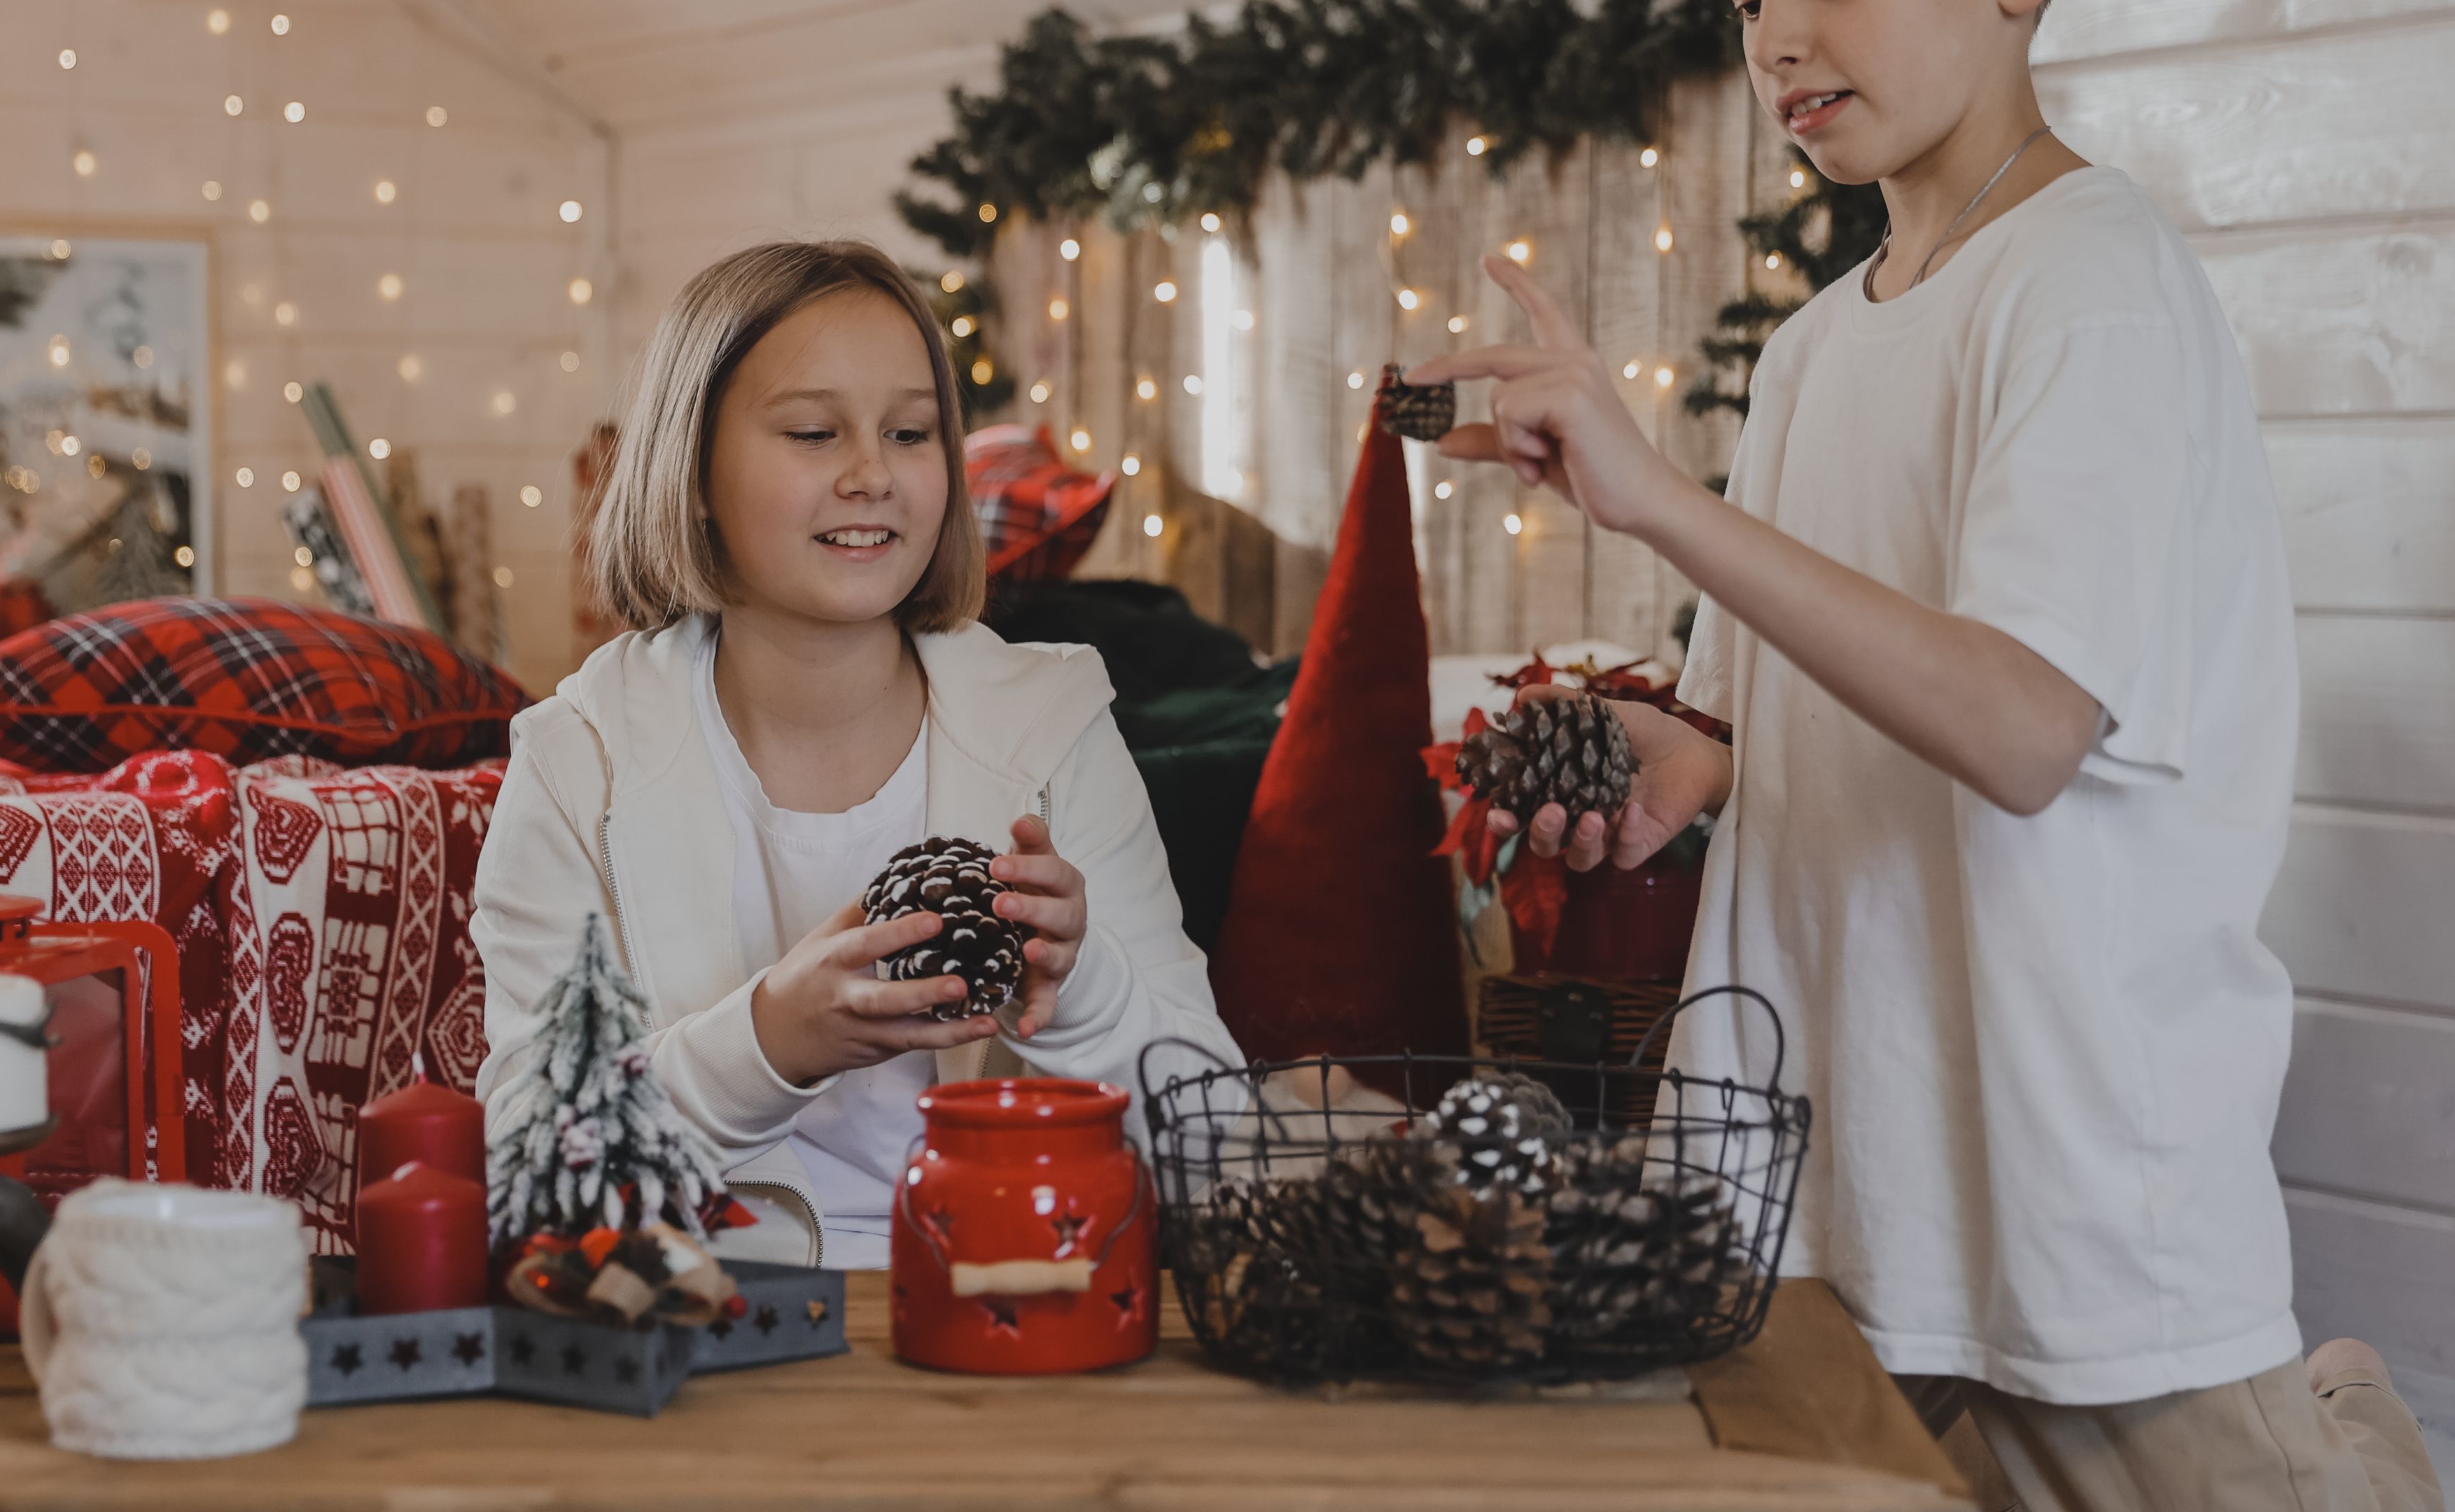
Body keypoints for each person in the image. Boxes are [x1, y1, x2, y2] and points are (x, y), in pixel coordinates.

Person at [1409, 0, 2444, 1502]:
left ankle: (2354, 1422)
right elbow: (1761, 730)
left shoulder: (2093, 280)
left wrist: (1657, 499)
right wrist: (1670, 760)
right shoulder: (1816, 350)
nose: (1778, 37)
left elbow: (2024, 727)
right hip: (1834, 1194)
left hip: (2070, 1206)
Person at [471, 239, 1241, 1269]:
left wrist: (1083, 986)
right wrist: (769, 1045)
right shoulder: (579, 759)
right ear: (692, 471)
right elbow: (526, 1170)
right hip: (708, 1317)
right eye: (813, 432)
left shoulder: (1050, 728)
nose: (873, 474)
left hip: (1017, 1302)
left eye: (911, 432)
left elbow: (1221, 1147)